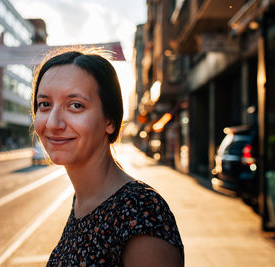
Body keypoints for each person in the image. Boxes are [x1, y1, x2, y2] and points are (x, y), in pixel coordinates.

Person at [32, 48, 184, 266]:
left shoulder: (141, 211)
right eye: (44, 105)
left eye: (76, 105)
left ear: (110, 121)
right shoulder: (83, 202)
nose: (53, 123)